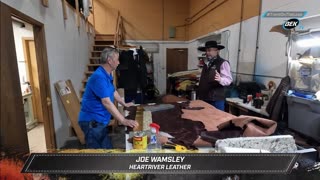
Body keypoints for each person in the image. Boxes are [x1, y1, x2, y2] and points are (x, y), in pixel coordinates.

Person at [79, 47, 139, 149]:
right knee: (98, 156)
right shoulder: (99, 77)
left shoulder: (107, 74)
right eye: (117, 59)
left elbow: (113, 90)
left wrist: (124, 103)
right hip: (92, 123)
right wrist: (123, 120)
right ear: (110, 61)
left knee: (107, 150)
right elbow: (106, 102)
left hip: (100, 122)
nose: (119, 62)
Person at [197, 41, 233, 111]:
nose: (207, 53)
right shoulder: (206, 63)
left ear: (217, 51)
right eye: (206, 51)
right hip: (204, 98)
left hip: (216, 100)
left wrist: (220, 79)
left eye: (209, 50)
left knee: (217, 120)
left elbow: (229, 80)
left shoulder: (223, 63)